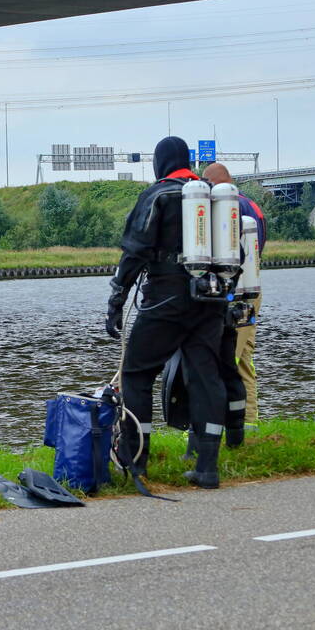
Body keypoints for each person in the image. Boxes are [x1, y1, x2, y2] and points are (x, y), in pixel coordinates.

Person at [106, 136, 228, 489]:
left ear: (160, 162)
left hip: (166, 299)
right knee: (207, 380)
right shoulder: (211, 195)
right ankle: (207, 467)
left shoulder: (158, 194)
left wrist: (116, 301)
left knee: (136, 374)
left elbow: (134, 252)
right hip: (211, 300)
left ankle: (136, 462)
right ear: (187, 160)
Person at [202, 163, 267, 439]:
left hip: (234, 291)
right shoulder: (251, 205)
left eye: (205, 183)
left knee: (225, 359)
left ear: (215, 181)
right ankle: (247, 424)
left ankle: (215, 428)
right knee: (242, 359)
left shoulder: (229, 207)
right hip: (250, 288)